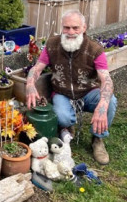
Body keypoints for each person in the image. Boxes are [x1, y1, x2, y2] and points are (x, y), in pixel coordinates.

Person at [26, 10, 117, 165]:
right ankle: (68, 126)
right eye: (66, 28)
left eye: (75, 28)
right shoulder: (52, 45)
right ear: (62, 28)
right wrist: (30, 85)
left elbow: (106, 79)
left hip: (88, 92)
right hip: (62, 93)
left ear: (84, 28)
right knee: (62, 116)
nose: (71, 32)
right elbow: (37, 68)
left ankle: (98, 139)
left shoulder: (95, 50)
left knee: (110, 103)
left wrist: (102, 104)